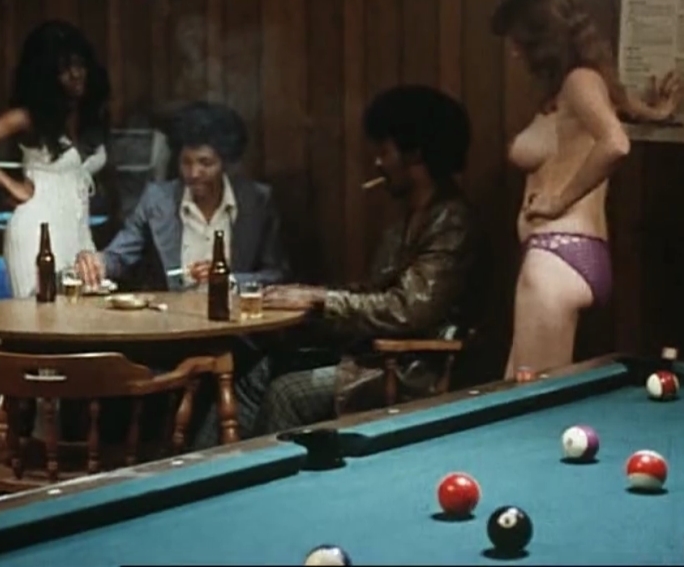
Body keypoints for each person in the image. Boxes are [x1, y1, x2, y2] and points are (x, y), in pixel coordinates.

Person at [195, 85, 481, 444]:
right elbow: (376, 292)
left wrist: (321, 301)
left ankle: (271, 474)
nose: (377, 163)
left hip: (411, 368)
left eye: (384, 152)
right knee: (257, 369)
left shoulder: (451, 220)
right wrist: (312, 295)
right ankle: (210, 468)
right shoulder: (407, 221)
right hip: (375, 354)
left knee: (287, 393)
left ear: (415, 154)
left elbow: (409, 309)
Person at [491, 0, 679, 378]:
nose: (514, 52)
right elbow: (622, 112)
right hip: (566, 254)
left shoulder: (580, 80)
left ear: (543, 38)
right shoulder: (586, 84)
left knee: (531, 398)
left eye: (519, 41)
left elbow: (616, 143)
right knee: (514, 390)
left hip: (557, 254)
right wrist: (657, 113)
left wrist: (558, 200)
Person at [0, 21, 110, 299]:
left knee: (84, 309)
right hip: (36, 231)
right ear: (46, 75)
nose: (76, 74)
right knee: (38, 313)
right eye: (64, 69)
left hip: (77, 230)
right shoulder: (29, 117)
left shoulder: (83, 117)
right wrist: (11, 185)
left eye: (79, 64)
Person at [75, 101, 288, 291]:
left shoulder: (256, 201)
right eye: (186, 162)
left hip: (235, 318)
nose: (194, 173)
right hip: (172, 319)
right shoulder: (157, 200)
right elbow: (119, 256)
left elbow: (276, 274)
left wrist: (227, 280)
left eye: (205, 163)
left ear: (224, 163)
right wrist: (98, 262)